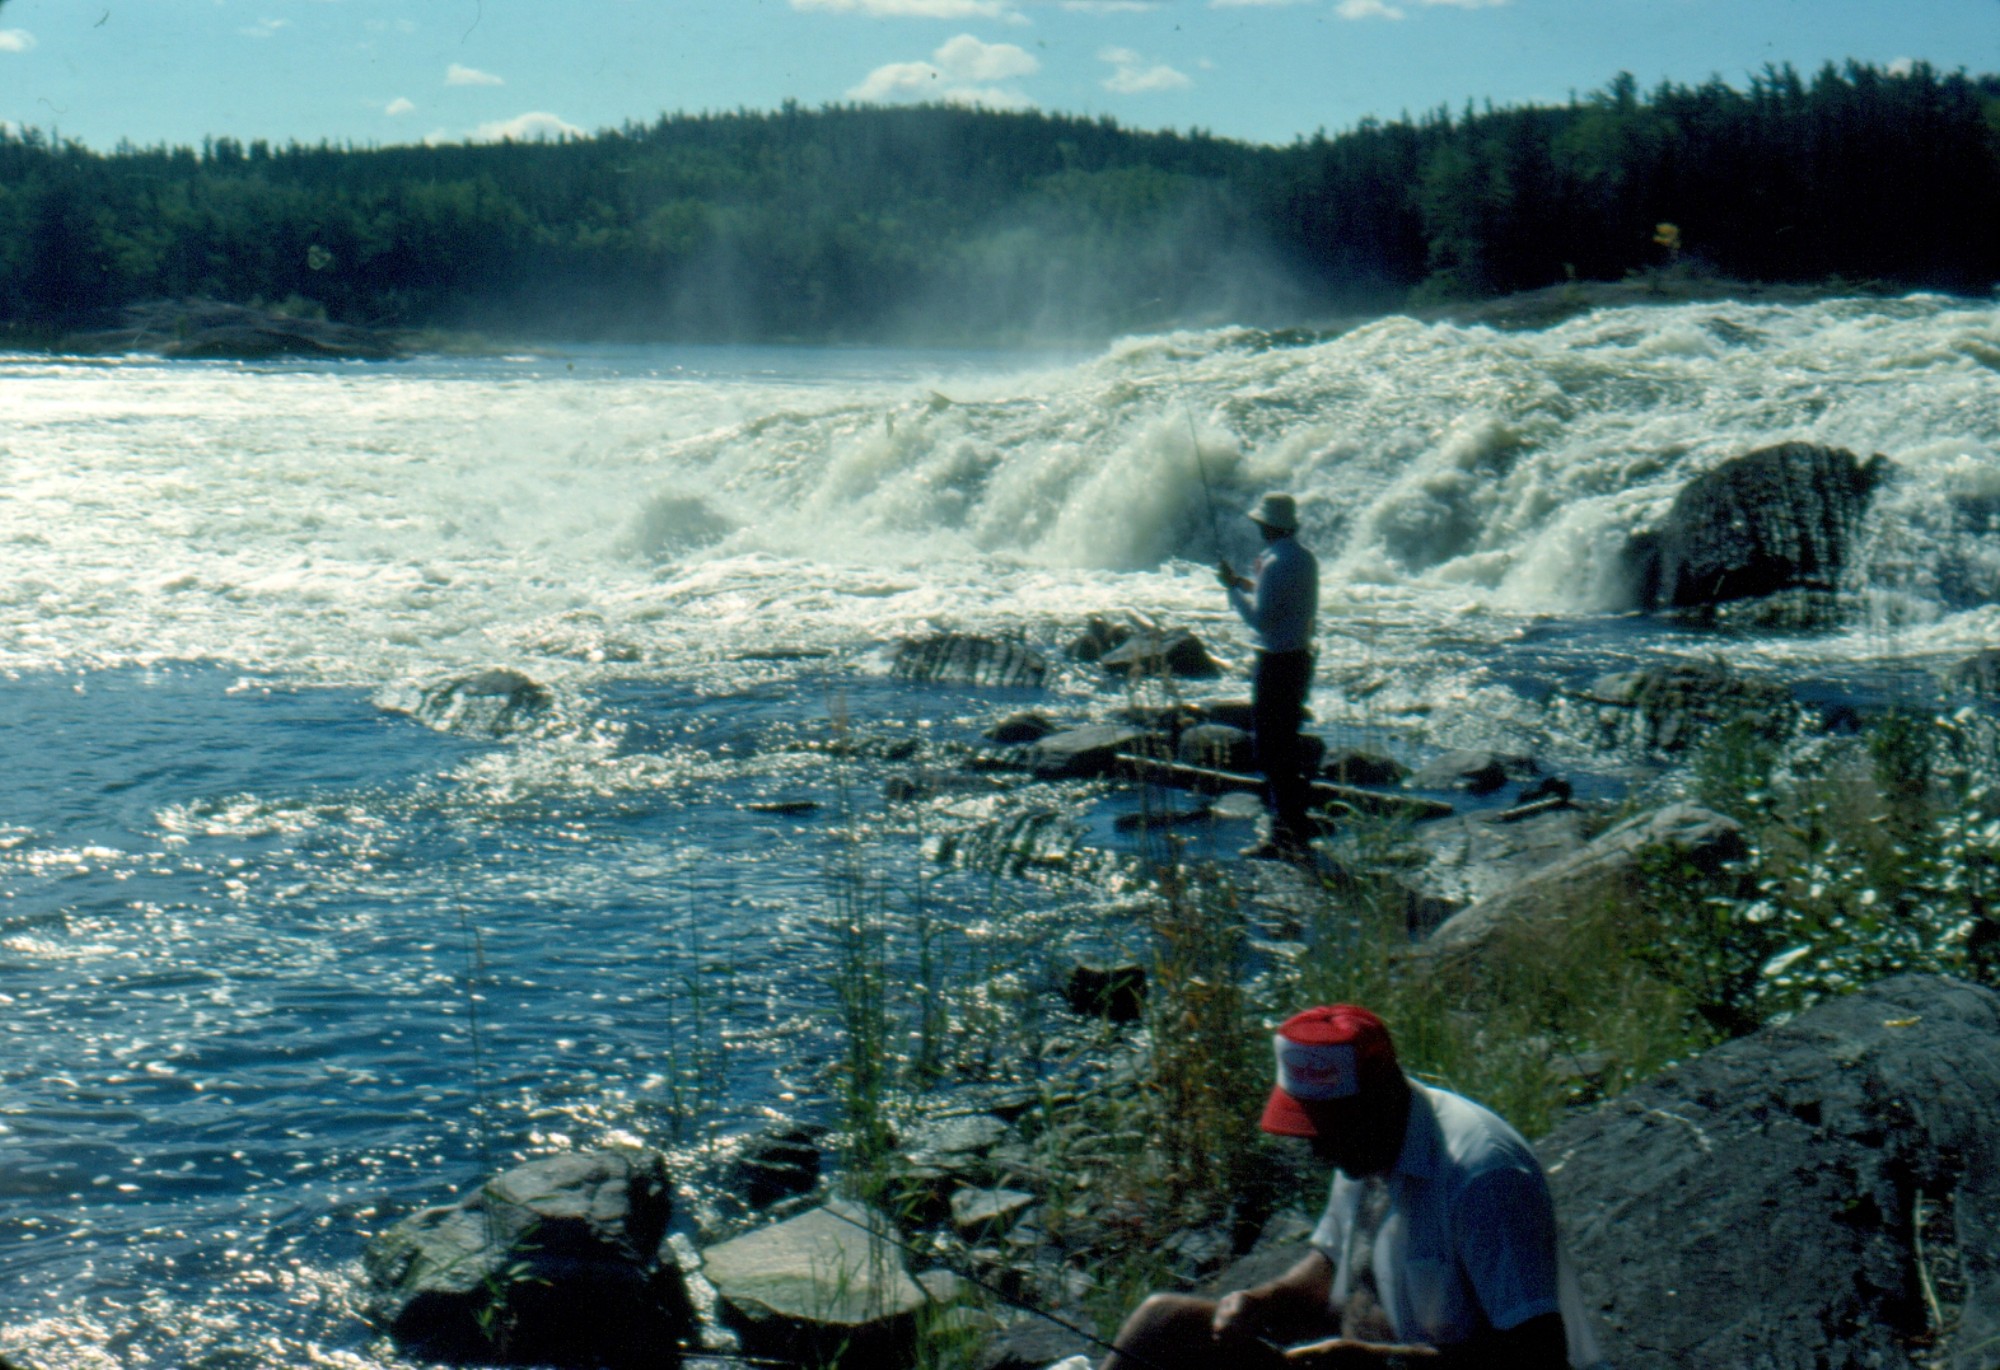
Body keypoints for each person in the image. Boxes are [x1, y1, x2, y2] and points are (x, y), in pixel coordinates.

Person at [1095, 1005, 1599, 1370]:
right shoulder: (1365, 1145)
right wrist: (1261, 1301)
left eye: (1327, 1129)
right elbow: (1332, 1265)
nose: (1316, 1149)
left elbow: (1538, 1356)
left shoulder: (1484, 1179)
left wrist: (1377, 1363)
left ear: (1380, 1099)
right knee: (1162, 1323)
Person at [1219, 492, 1319, 860]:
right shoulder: (1304, 558)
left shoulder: (1274, 563)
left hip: (1275, 663)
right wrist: (1242, 583)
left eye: (1261, 523)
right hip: (1300, 659)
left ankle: (1283, 836)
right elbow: (1281, 599)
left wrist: (1232, 590)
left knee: (1271, 750)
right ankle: (1296, 826)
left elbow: (1260, 619)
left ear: (1268, 525)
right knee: (1286, 745)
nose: (1258, 527)